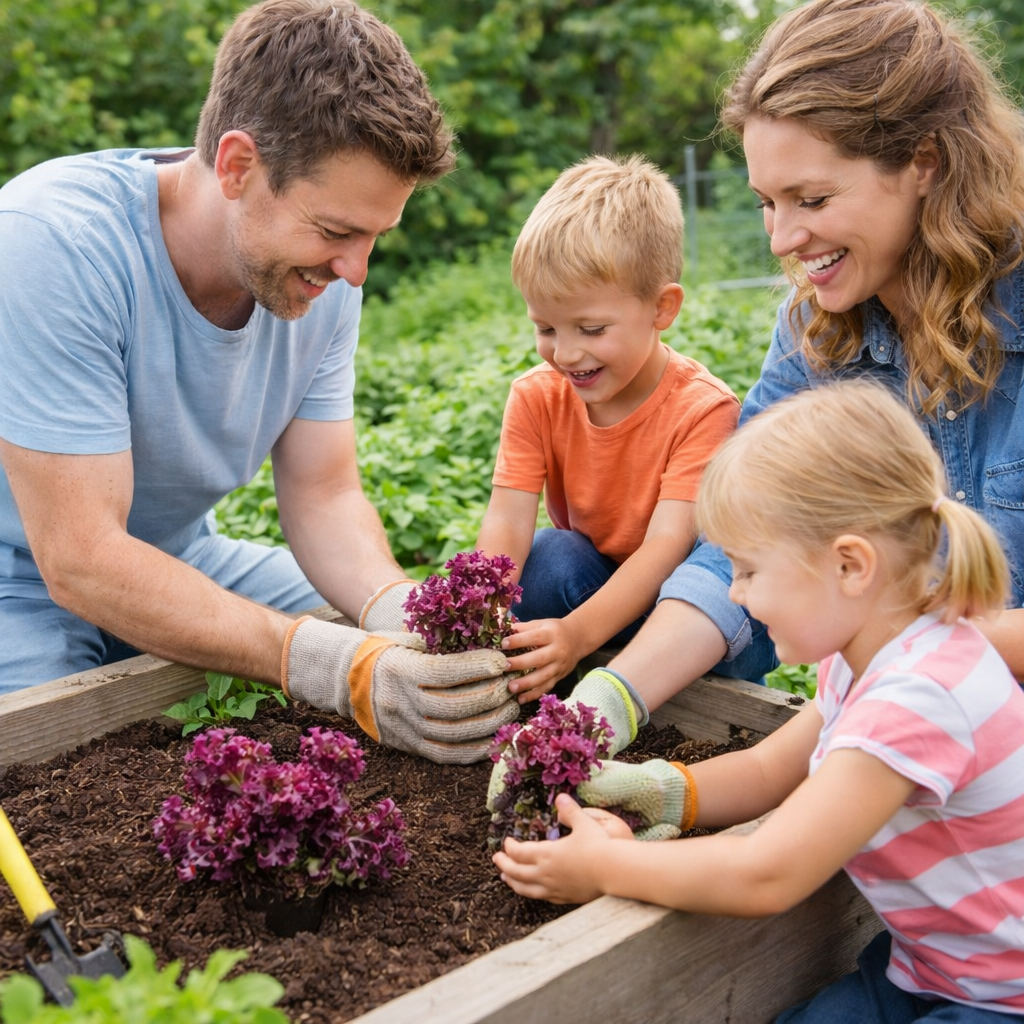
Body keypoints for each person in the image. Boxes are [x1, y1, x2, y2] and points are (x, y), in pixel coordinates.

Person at [500, 0, 1024, 762]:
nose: (783, 238)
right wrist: (615, 698)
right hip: (906, 725)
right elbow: (734, 544)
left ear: (926, 162)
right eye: (767, 204)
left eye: (811, 200)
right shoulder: (816, 332)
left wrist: (915, 656)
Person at [0, 0, 518, 763]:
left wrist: (393, 615)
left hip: (178, 558)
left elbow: (324, 495)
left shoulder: (324, 278)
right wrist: (325, 665)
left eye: (377, 235)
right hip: (21, 583)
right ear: (239, 165)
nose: (356, 270)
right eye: (338, 230)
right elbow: (80, 558)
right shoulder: (52, 246)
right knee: (55, 760)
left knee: (355, 635)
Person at [494, 380, 1024, 1023]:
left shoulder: (917, 697)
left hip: (1001, 999)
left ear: (850, 566)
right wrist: (659, 790)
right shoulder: (870, 658)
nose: (736, 594)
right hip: (928, 968)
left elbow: (768, 874)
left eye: (748, 569)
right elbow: (772, 770)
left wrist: (609, 866)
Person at [475, 155, 739, 702]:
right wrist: (477, 610)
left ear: (662, 308)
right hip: (595, 589)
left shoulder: (703, 410)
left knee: (726, 599)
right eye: (545, 327)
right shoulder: (536, 395)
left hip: (687, 618)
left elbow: (667, 547)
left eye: (591, 329)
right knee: (551, 555)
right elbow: (506, 520)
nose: (566, 353)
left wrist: (575, 636)